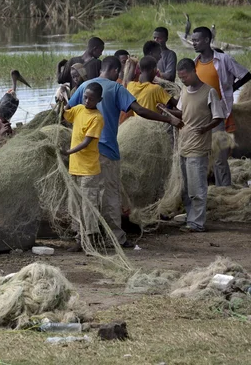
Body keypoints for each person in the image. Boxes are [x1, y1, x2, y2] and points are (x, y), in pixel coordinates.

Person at [67, 56, 182, 248]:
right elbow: (140, 110)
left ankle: (83, 237)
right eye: (118, 72)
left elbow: (68, 111)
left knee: (85, 195)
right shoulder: (116, 88)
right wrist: (168, 119)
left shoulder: (84, 86)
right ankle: (114, 238)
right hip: (106, 151)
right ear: (113, 71)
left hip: (84, 153)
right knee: (110, 195)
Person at [159, 59, 226, 232]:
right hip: (183, 145)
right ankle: (190, 217)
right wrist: (166, 110)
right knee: (186, 187)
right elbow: (182, 113)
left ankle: (197, 223)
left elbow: (218, 117)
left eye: (185, 76)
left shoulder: (209, 92)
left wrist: (206, 128)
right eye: (180, 78)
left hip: (198, 147)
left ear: (193, 72)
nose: (183, 80)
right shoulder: (185, 92)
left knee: (197, 186)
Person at [191, 26, 251, 187]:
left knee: (220, 157)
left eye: (196, 40)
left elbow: (246, 74)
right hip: (200, 115)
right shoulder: (194, 63)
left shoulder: (223, 60)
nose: (193, 43)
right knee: (200, 155)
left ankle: (223, 190)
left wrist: (231, 88)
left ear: (206, 40)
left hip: (219, 114)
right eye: (192, 40)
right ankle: (203, 187)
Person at [61, 82, 104, 252]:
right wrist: (62, 97)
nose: (87, 101)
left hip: (89, 170)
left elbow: (86, 142)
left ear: (99, 99)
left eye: (91, 99)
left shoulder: (97, 118)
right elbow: (65, 113)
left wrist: (68, 152)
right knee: (75, 205)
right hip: (75, 168)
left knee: (88, 206)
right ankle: (79, 238)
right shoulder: (78, 109)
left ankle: (90, 240)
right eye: (85, 97)